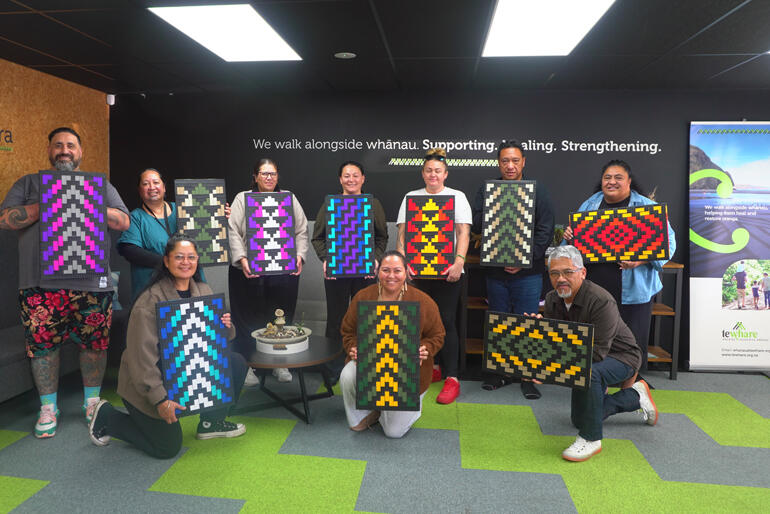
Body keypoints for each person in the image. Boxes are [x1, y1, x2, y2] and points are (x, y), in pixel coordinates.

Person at [0, 127, 130, 438]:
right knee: (42, 347)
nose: (64, 150)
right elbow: (4, 219)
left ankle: (92, 401)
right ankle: (48, 407)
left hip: (90, 281)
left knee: (94, 344)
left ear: (80, 152)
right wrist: (48, 203)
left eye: (71, 145)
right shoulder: (29, 183)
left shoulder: (99, 185)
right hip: (39, 284)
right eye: (58, 145)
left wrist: (85, 200)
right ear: (48, 151)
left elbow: (123, 221)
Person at [88, 235, 247, 458]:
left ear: (197, 260)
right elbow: (141, 359)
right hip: (150, 379)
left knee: (236, 363)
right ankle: (108, 417)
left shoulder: (204, 290)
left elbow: (216, 343)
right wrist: (160, 400)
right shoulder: (150, 300)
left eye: (191, 257)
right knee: (167, 448)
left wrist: (225, 327)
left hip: (186, 371)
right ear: (166, 261)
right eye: (179, 257)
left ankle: (212, 422)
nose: (185, 262)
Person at [538, 245, 657, 462]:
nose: (560, 279)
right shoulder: (552, 299)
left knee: (589, 372)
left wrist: (555, 368)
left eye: (568, 272)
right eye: (554, 273)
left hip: (622, 356)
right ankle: (636, 396)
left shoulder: (601, 300)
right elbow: (555, 342)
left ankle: (591, 439)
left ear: (582, 272)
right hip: (586, 356)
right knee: (580, 418)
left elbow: (598, 353)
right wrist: (536, 335)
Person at [563, 159, 676, 376]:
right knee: (597, 337)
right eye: (607, 177)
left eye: (618, 177)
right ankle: (594, 379)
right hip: (596, 285)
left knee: (633, 339)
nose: (611, 182)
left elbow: (669, 243)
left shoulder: (646, 207)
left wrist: (641, 260)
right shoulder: (590, 204)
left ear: (629, 181)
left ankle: (633, 384)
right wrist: (569, 237)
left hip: (633, 288)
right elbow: (574, 247)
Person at [472, 140, 555, 399]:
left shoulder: (537, 190)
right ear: (498, 162)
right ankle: (499, 373)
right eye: (505, 161)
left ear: (523, 162)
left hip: (528, 273)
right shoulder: (487, 190)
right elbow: (478, 223)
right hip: (496, 271)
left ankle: (527, 375)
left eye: (515, 160)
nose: (510, 165)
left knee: (528, 321)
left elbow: (545, 229)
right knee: (499, 321)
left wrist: (523, 259)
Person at [339, 251, 444, 437]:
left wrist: (425, 349)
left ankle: (407, 408)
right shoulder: (363, 296)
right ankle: (367, 412)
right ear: (378, 272)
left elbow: (437, 335)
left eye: (397, 270)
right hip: (371, 363)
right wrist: (353, 348)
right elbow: (348, 331)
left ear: (406, 272)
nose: (391, 276)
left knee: (393, 432)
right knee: (348, 374)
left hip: (408, 370)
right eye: (385, 270)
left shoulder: (423, 301)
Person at [396, 148, 471, 405]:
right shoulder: (410, 197)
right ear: (423, 173)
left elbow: (463, 233)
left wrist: (458, 262)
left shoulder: (457, 197)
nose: (433, 174)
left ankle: (452, 378)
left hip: (447, 272)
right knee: (418, 321)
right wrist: (404, 264)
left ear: (445, 173)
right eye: (428, 170)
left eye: (437, 171)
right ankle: (431, 368)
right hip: (418, 272)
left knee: (446, 321)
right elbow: (402, 236)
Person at [228, 158, 309, 383]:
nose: (269, 177)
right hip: (248, 270)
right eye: (264, 173)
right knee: (247, 318)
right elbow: (232, 230)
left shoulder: (289, 198)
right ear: (255, 177)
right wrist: (242, 259)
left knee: (280, 317)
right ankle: (248, 366)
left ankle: (279, 364)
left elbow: (302, 231)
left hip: (282, 272)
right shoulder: (242, 199)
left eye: (272, 173)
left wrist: (299, 256)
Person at [311, 161, 388, 378]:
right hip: (336, 271)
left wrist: (375, 259)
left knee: (366, 317)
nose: (351, 179)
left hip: (365, 271)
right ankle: (333, 367)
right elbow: (317, 238)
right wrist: (326, 259)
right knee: (336, 319)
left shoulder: (373, 205)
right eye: (346, 175)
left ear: (363, 178)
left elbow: (382, 237)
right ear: (340, 179)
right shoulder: (330, 205)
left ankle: (365, 366)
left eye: (355, 175)